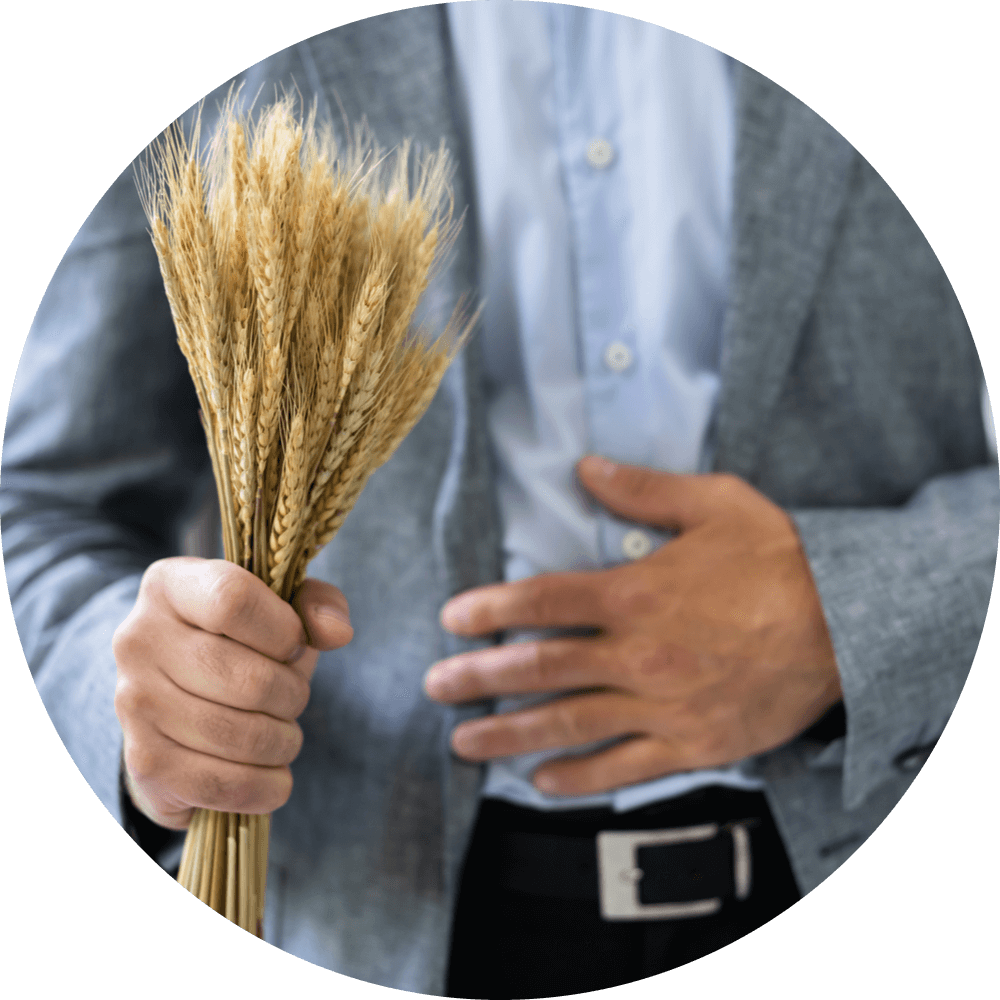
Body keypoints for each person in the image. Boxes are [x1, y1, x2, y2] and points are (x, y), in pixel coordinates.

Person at [5, 7, 994, 996]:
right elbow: (42, 504)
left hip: (851, 815)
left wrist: (862, 614)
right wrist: (145, 714)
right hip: (369, 920)